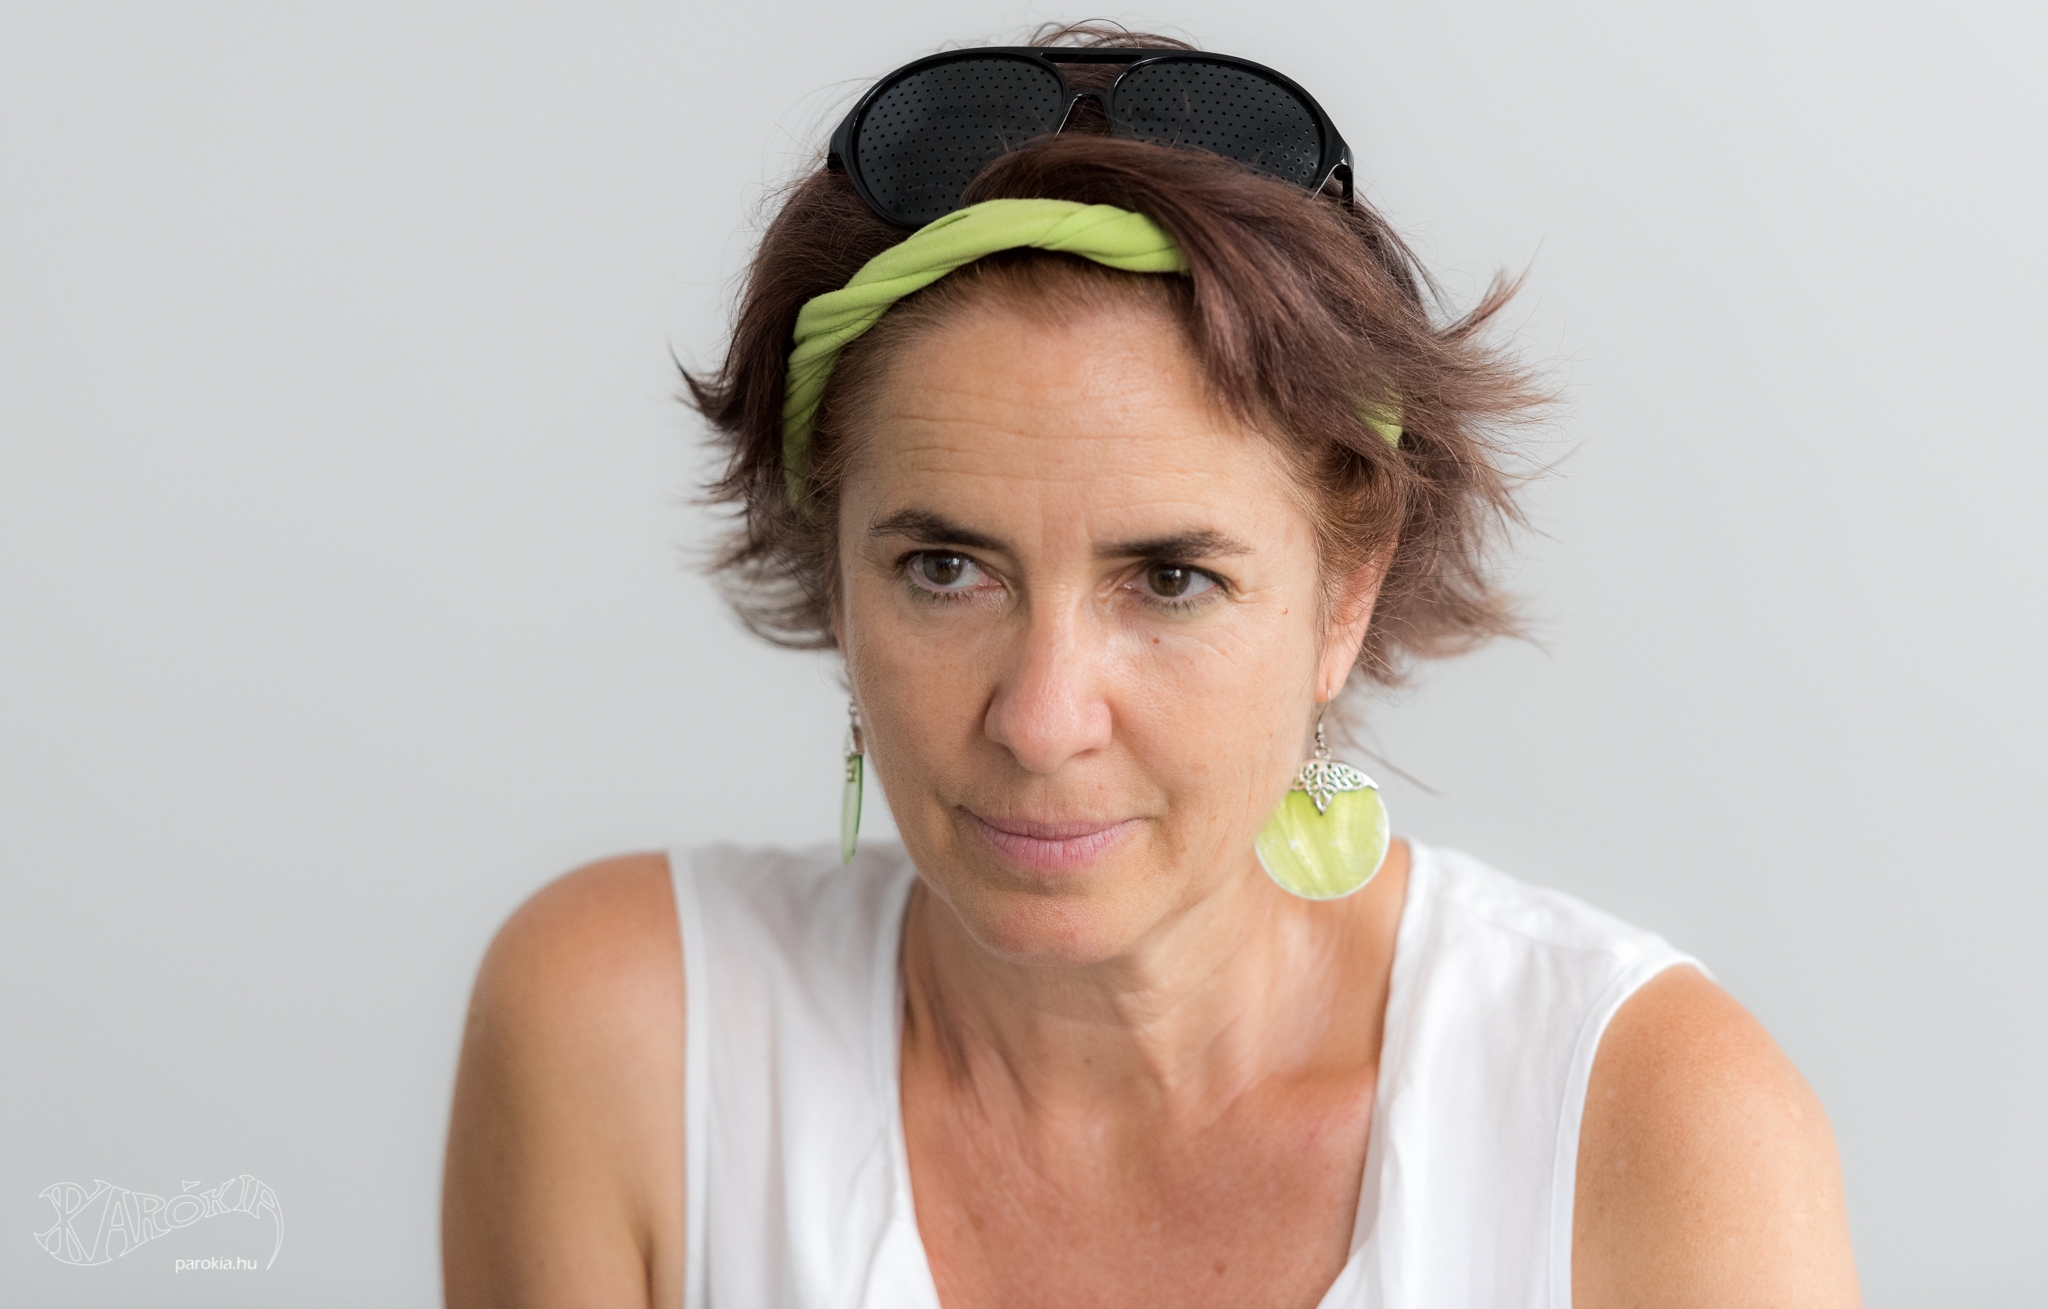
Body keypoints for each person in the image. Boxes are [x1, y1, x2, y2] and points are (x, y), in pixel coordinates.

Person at [441, 26, 1859, 1308]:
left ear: (1345, 595)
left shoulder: (1645, 1124)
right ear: (834, 568)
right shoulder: (625, 1041)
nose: (1043, 717)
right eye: (946, 569)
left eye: (1171, 579)